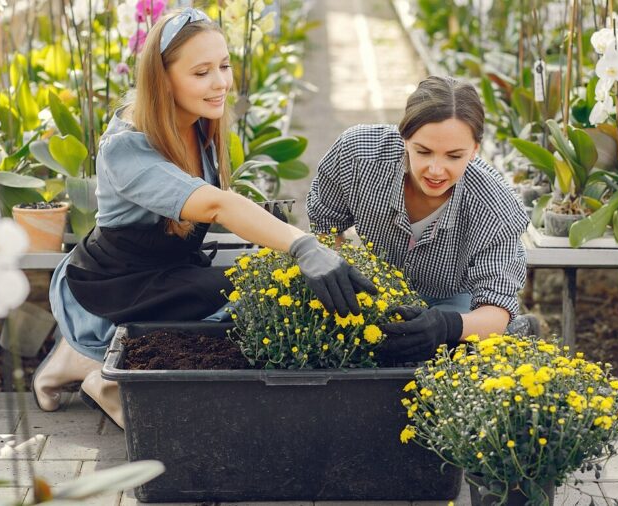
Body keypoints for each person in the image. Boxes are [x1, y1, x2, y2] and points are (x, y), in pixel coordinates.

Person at [33, 7, 376, 428]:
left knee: (265, 286)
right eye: (201, 72)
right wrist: (303, 244)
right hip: (118, 282)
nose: (221, 83)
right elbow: (215, 205)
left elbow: (215, 201)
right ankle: (98, 370)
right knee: (251, 303)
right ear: (163, 78)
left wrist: (271, 227)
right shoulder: (127, 147)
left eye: (224, 66)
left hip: (169, 270)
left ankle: (87, 361)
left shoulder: (197, 121)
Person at [306, 76, 532, 363]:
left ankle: (521, 327)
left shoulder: (495, 205)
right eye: (423, 151)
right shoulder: (358, 155)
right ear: (404, 137)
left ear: (475, 149)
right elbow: (325, 228)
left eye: (454, 156)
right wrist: (341, 286)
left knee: (463, 359)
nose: (436, 170)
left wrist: (445, 326)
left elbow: (495, 309)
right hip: (377, 288)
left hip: (453, 301)